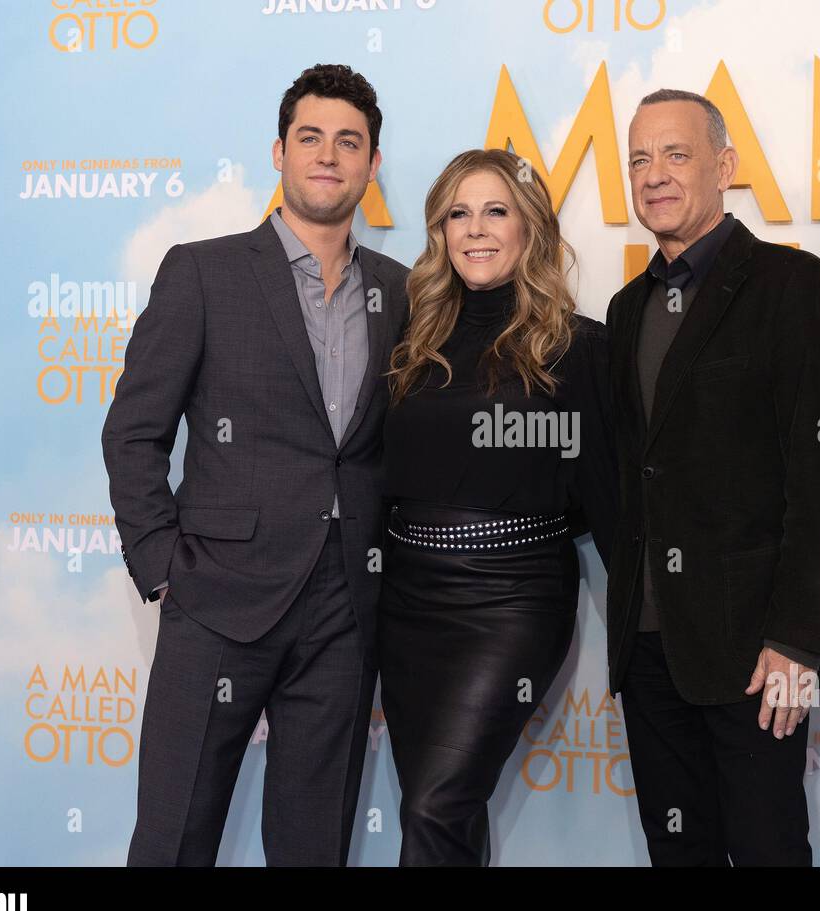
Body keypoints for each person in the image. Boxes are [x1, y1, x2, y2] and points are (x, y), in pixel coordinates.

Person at [102, 64, 409, 866]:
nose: (328, 156)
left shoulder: (401, 292)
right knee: (173, 840)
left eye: (350, 143)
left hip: (344, 612)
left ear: (373, 166)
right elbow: (133, 433)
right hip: (216, 602)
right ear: (279, 151)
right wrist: (163, 565)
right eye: (311, 138)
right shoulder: (204, 272)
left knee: (315, 849)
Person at [604, 89, 820, 866]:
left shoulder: (792, 285)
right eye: (640, 158)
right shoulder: (623, 310)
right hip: (648, 651)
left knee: (767, 849)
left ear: (724, 167)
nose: (655, 175)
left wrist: (795, 640)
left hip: (756, 653)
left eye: (676, 154)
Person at [379, 148, 615, 866]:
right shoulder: (409, 341)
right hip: (407, 599)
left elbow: (602, 492)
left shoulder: (578, 347)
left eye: (495, 211)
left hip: (512, 600)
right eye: (458, 213)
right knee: (441, 810)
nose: (474, 230)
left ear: (529, 229)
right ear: (439, 232)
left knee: (434, 805)